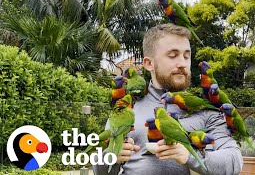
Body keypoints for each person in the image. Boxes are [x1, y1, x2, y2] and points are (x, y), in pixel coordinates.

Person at [93, 23, 243, 175]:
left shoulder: (206, 111)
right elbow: (99, 169)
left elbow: (234, 162)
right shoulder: (126, 107)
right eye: (173, 55)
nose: (182, 63)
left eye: (187, 56)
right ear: (149, 63)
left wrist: (190, 156)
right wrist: (109, 157)